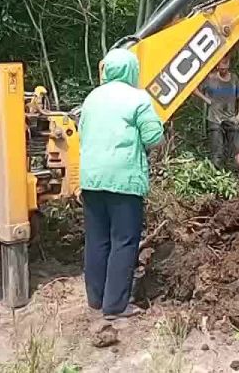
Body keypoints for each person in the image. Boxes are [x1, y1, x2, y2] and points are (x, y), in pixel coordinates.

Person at [79, 48, 164, 320]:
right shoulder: (137, 98)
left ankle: (96, 299)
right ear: (132, 70)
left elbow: (82, 133)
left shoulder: (92, 98)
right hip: (124, 181)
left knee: (96, 239)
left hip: (92, 181)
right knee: (124, 241)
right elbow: (153, 137)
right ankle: (115, 306)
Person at [194, 56, 239, 168]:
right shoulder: (210, 78)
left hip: (231, 117)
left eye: (225, 68)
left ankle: (237, 171)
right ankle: (216, 171)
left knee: (237, 149)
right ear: (217, 66)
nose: (223, 70)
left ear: (228, 65)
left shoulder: (234, 79)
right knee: (217, 151)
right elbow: (194, 89)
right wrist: (206, 100)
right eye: (221, 68)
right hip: (215, 118)